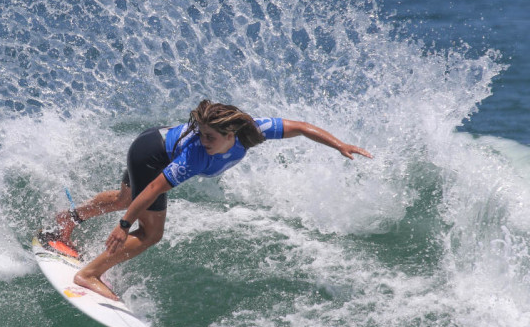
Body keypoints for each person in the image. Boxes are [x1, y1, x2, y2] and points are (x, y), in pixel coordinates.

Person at [39, 99, 372, 301]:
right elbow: (154, 188)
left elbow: (300, 127)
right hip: (150, 155)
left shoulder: (251, 130)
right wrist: (124, 225)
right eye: (199, 133)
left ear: (231, 136)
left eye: (209, 136)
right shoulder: (196, 155)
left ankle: (68, 220)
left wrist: (339, 144)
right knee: (151, 233)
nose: (202, 139)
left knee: (125, 195)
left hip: (150, 140)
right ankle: (89, 275)